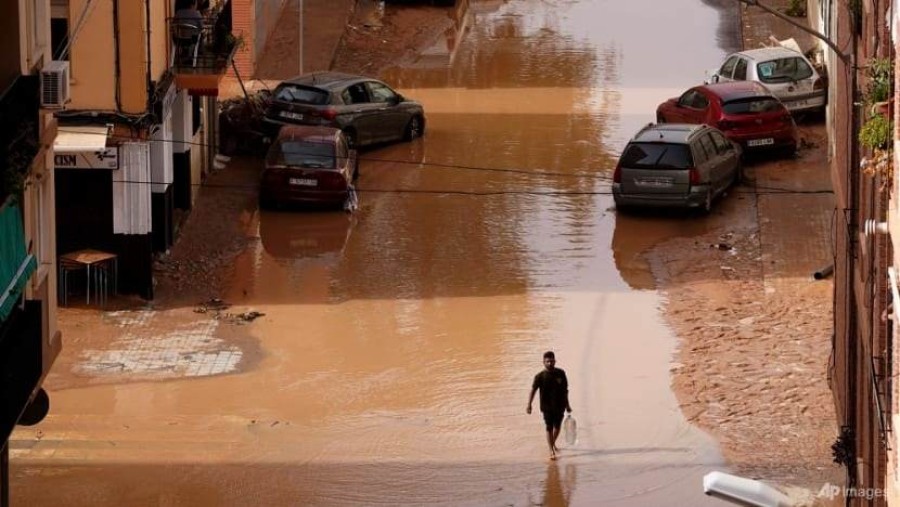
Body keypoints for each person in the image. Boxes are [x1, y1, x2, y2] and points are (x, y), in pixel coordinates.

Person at [527, 351, 572, 460]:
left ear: (555, 361)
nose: (550, 363)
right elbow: (533, 391)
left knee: (557, 427)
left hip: (560, 405)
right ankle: (551, 449)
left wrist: (568, 405)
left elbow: (565, 390)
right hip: (546, 406)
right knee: (549, 427)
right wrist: (529, 404)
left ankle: (552, 443)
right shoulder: (539, 376)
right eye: (548, 361)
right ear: (543, 362)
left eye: (552, 361)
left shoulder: (561, 373)